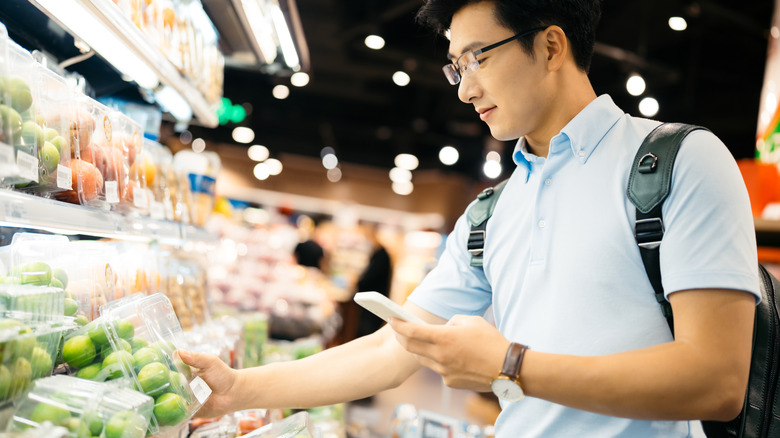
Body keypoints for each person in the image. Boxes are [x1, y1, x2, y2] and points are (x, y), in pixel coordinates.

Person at [180, 1, 760, 436]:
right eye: (456, 68)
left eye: (478, 58)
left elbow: (716, 379)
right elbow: (392, 351)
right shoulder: (491, 211)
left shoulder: (678, 162)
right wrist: (238, 389)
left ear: (551, 46)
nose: (464, 90)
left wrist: (511, 365)